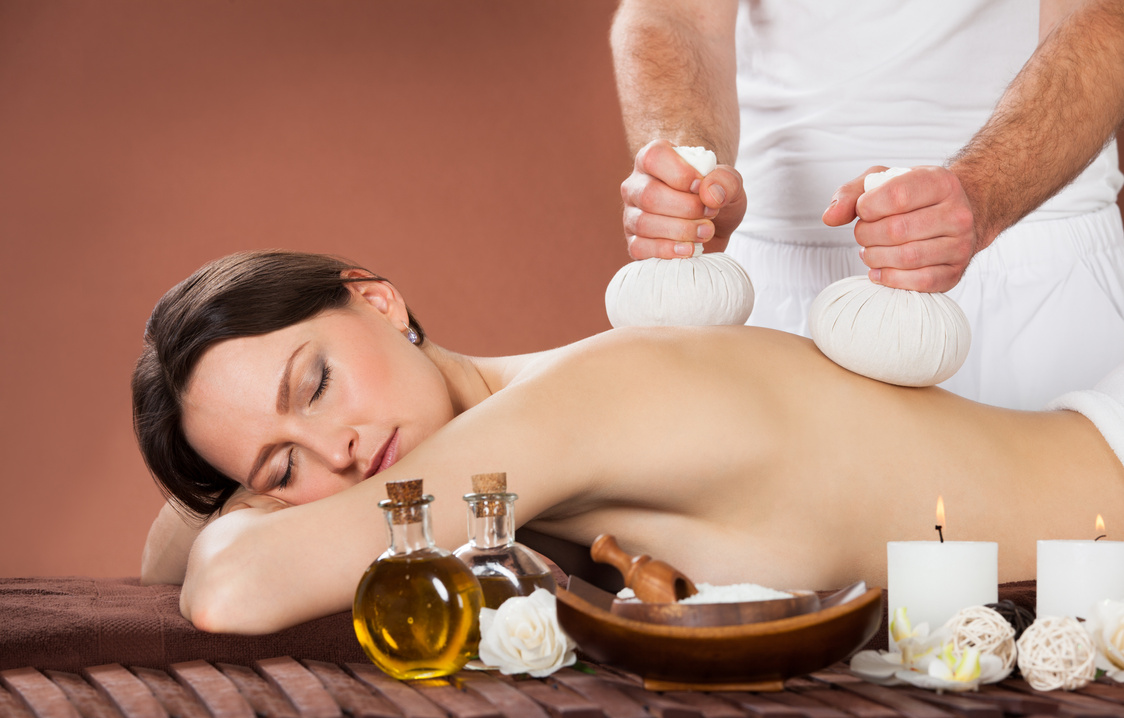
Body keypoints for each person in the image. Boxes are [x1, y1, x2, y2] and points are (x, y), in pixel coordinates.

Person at [135, 250, 1124, 635]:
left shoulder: (576, 404)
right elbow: (167, 548)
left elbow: (230, 587)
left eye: (314, 383)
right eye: (284, 464)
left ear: (378, 300)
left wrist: (260, 499)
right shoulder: (516, 470)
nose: (339, 449)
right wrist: (252, 497)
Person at [611, 0, 1124, 409]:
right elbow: (676, 15)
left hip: (1033, 268)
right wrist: (687, 170)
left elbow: (1104, 14)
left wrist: (984, 190)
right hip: (761, 289)